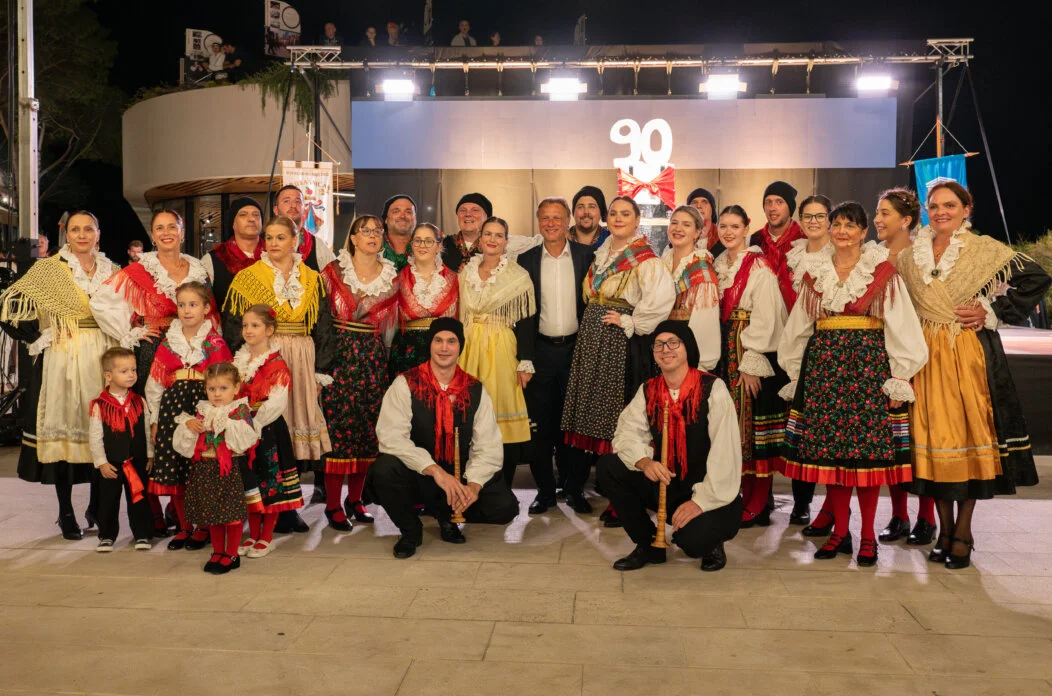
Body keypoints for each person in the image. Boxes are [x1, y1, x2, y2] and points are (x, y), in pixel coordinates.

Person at [897, 182, 1050, 569]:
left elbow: (1036, 278)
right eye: (934, 206)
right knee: (932, 445)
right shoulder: (909, 256)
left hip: (967, 352)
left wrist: (992, 311)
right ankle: (944, 530)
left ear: (967, 209)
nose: (941, 212)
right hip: (924, 358)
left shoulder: (983, 249)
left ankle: (963, 532)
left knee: (967, 443)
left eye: (950, 205)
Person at [778, 202, 928, 566]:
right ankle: (840, 533)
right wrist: (796, 370)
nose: (842, 231)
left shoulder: (881, 273)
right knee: (832, 458)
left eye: (850, 225)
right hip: (824, 371)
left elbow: (903, 326)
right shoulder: (815, 274)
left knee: (866, 459)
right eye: (837, 225)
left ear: (863, 232)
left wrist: (899, 377)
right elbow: (798, 327)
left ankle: (868, 536)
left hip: (867, 371)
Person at [93, 209, 215, 537]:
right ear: (152, 234)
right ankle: (153, 513)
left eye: (172, 226)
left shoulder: (198, 267)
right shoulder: (140, 270)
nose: (166, 232)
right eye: (159, 227)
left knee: (189, 426)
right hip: (154, 350)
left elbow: (210, 310)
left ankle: (183, 507)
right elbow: (101, 303)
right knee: (153, 430)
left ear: (182, 231)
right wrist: (131, 332)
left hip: (192, 350)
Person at [1, 210, 119, 540]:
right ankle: (66, 512)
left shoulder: (112, 270)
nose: (82, 235)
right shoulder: (50, 269)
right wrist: (38, 337)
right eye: (75, 229)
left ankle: (96, 505)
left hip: (104, 355)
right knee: (67, 435)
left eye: (88, 229)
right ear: (66, 234)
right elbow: (9, 307)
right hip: (65, 357)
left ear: (98, 234)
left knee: (101, 432)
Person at [560, 196, 676, 515]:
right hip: (592, 339)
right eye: (613, 213)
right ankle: (585, 487)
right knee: (591, 413)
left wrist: (630, 321)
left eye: (626, 214)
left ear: (638, 220)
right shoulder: (602, 253)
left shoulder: (646, 259)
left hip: (621, 342)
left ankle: (621, 495)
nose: (618, 218)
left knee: (619, 417)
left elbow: (660, 301)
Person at [598, 320, 743, 571]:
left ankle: (712, 543)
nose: (666, 349)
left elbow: (725, 454)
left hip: (709, 490)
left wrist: (701, 502)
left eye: (673, 343)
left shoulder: (713, 389)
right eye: (659, 345)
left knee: (693, 542)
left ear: (688, 348)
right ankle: (648, 544)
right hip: (668, 484)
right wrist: (645, 462)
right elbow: (626, 434)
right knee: (609, 467)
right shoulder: (648, 389)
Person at [368, 318, 519, 558]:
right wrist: (436, 472)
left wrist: (473, 486)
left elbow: (488, 445)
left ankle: (447, 513)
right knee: (384, 469)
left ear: (460, 347)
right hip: (421, 473)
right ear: (429, 345)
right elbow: (391, 438)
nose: (444, 348)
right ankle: (411, 530)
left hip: (459, 475)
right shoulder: (405, 383)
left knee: (504, 508)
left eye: (451, 341)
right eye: (438, 341)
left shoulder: (475, 388)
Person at [223, 216, 335, 532]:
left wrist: (320, 373)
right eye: (269, 237)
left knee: (292, 435)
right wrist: (243, 366)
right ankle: (262, 505)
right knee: (267, 430)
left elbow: (323, 326)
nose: (273, 243)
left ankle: (288, 508)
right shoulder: (247, 278)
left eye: (281, 237)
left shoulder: (311, 279)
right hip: (263, 358)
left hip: (301, 360)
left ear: (295, 241)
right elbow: (233, 324)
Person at [318, 215, 398, 531]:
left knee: (367, 429)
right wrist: (321, 365)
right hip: (338, 354)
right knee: (338, 431)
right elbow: (321, 319)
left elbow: (390, 329)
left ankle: (356, 499)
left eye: (377, 231)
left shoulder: (391, 277)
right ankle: (332, 505)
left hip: (372, 357)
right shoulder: (332, 272)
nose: (372, 235)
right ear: (353, 238)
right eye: (365, 231)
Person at [712, 205, 789, 527]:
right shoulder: (717, 264)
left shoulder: (758, 267)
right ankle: (740, 496)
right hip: (723, 349)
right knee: (732, 426)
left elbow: (768, 316)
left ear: (746, 228)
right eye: (723, 226)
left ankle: (758, 501)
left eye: (735, 226)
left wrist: (751, 361)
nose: (728, 232)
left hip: (748, 350)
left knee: (753, 426)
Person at [518, 198, 594, 513]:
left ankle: (574, 489)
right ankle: (545, 492)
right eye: (545, 218)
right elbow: (522, 314)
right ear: (539, 222)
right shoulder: (525, 260)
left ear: (567, 222)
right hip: (540, 352)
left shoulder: (586, 256)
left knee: (574, 425)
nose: (551, 224)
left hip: (577, 350)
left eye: (557, 218)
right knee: (540, 426)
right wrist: (524, 358)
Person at [146, 282, 232, 551]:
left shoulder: (214, 342)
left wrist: (214, 415)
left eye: (193, 305)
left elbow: (225, 381)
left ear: (206, 309)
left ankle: (204, 526)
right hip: (173, 411)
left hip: (202, 407)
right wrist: (156, 420)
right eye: (182, 305)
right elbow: (155, 383)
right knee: (177, 470)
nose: (186, 310)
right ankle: (184, 527)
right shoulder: (168, 342)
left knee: (200, 471)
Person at [458, 216, 536, 487]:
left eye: (498, 235)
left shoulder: (517, 275)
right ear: (480, 239)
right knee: (468, 411)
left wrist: (525, 362)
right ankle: (470, 482)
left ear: (506, 241)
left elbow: (526, 322)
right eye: (488, 234)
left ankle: (502, 486)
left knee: (501, 411)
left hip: (501, 347)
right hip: (468, 347)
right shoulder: (465, 272)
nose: (492, 239)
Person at [173, 362, 258, 574]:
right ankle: (218, 551)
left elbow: (244, 440)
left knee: (231, 514)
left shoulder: (239, 411)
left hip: (229, 469)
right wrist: (190, 425)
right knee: (212, 512)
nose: (217, 394)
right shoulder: (203, 410)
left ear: (236, 388)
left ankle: (232, 554)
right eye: (212, 389)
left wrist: (224, 424)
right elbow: (187, 443)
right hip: (206, 468)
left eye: (223, 388)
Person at [233, 305, 303, 558]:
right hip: (242, 426)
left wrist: (255, 424)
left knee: (270, 482)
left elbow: (276, 402)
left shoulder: (276, 364)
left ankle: (267, 536)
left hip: (266, 428)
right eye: (245, 325)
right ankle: (253, 534)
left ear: (269, 330)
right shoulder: (239, 361)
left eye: (255, 325)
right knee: (250, 482)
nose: (248, 330)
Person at [782, 194, 835, 527]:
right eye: (808, 216)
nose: (813, 221)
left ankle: (832, 506)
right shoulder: (794, 254)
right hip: (795, 341)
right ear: (800, 220)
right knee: (801, 428)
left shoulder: (839, 253)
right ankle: (801, 502)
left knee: (829, 431)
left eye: (820, 216)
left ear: (830, 219)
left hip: (830, 344)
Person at [90, 347, 154, 552]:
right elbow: (95, 437)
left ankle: (142, 534)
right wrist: (101, 462)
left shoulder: (139, 401)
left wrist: (150, 455)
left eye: (133, 370)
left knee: (139, 499)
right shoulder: (100, 405)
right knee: (108, 500)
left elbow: (146, 431)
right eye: (124, 371)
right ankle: (107, 535)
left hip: (137, 461)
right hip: (111, 464)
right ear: (108, 376)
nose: (131, 375)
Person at [390, 223, 460, 379]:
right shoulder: (398, 279)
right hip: (407, 351)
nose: (422, 245)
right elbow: (391, 324)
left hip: (443, 351)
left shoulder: (454, 279)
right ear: (412, 244)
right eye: (417, 240)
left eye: (428, 241)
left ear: (438, 246)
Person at [663, 205, 720, 371]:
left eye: (686, 225)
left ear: (697, 232)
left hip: (687, 350)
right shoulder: (662, 262)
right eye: (674, 223)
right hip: (661, 345)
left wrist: (700, 364)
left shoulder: (702, 269)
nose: (678, 228)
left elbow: (705, 323)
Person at [202, 197, 264, 311]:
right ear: (233, 223)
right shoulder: (213, 259)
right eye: (243, 214)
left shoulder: (274, 255)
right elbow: (203, 304)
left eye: (256, 215)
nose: (251, 219)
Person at [751, 181, 803, 310]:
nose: (772, 208)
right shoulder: (754, 240)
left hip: (796, 315)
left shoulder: (803, 239)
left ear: (790, 207)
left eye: (779, 202)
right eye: (768, 202)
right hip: (762, 314)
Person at [272, 184, 337, 273]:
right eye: (287, 201)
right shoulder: (262, 243)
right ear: (276, 210)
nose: (293, 205)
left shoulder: (317, 245)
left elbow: (335, 277)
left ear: (304, 209)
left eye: (298, 201)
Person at [442, 193, 492, 272]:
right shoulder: (443, 245)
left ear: (487, 217)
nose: (468, 214)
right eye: (462, 210)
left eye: (475, 210)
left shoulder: (495, 246)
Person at [381, 194, 416, 271]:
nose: (402, 216)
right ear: (386, 219)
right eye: (396, 212)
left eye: (408, 212)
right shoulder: (374, 245)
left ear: (415, 218)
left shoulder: (429, 247)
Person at [686, 187, 722, 256]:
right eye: (694, 202)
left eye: (704, 202)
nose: (699, 206)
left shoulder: (722, 239)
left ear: (712, 209)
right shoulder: (679, 238)